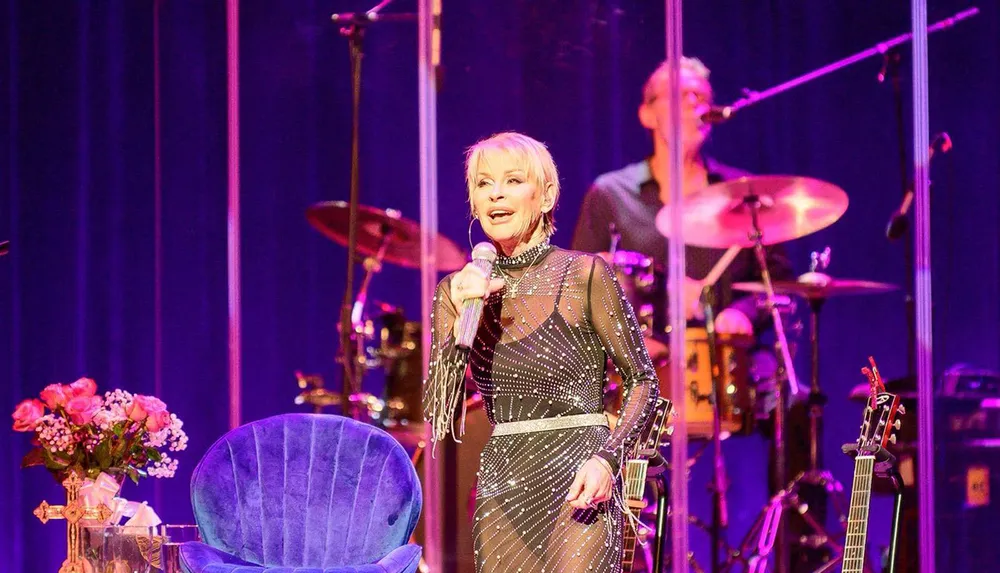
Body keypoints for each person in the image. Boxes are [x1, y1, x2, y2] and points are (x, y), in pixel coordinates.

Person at [423, 131, 660, 573]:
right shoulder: (454, 292)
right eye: (483, 183)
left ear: (547, 195)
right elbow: (443, 411)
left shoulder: (583, 274)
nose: (496, 193)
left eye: (513, 180)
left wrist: (609, 459)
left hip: (580, 474)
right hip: (503, 481)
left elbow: (644, 380)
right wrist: (457, 319)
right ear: (474, 203)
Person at [571, 57, 794, 335]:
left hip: (724, 362)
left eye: (700, 96)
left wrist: (742, 313)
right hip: (640, 367)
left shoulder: (745, 195)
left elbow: (779, 285)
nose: (692, 103)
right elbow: (577, 290)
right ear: (647, 115)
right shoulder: (611, 194)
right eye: (677, 95)